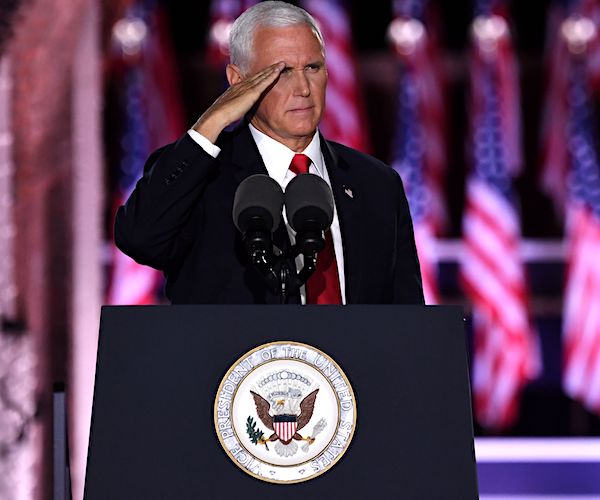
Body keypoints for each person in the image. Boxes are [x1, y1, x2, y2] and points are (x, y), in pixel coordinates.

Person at [115, 1, 424, 305]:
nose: (303, 87)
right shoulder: (202, 179)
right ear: (239, 82)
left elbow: (408, 326)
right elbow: (139, 238)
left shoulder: (377, 184)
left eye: (313, 68)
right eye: (282, 72)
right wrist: (213, 121)